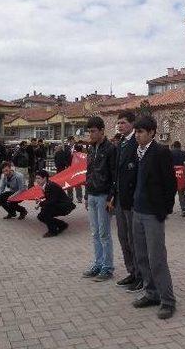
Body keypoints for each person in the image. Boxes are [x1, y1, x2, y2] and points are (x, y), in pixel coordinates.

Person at [130, 115, 177, 320]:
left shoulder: (160, 152)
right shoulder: (136, 152)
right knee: (141, 256)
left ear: (151, 133)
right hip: (137, 211)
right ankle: (151, 293)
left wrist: (164, 210)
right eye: (136, 132)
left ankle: (167, 301)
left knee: (156, 258)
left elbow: (170, 184)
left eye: (140, 132)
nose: (137, 135)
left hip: (153, 214)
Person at [108, 111, 142, 291]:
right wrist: (113, 195)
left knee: (133, 238)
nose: (119, 126)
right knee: (123, 237)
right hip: (120, 198)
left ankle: (140, 275)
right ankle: (131, 271)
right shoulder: (121, 143)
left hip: (132, 200)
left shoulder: (136, 143)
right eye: (118, 123)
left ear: (132, 124)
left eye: (123, 123)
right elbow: (117, 173)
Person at [82, 116, 116, 282]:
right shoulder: (91, 149)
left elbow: (114, 176)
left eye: (93, 131)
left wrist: (111, 197)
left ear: (102, 130)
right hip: (93, 194)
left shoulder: (110, 149)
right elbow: (89, 173)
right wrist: (86, 195)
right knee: (95, 233)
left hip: (104, 196)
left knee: (104, 233)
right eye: (89, 131)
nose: (91, 134)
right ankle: (98, 263)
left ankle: (107, 267)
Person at [36, 170, 76, 237]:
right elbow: (51, 199)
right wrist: (41, 201)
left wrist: (41, 203)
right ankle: (62, 225)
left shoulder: (51, 186)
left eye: (38, 178)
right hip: (58, 205)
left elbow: (52, 201)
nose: (37, 180)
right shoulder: (47, 185)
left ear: (45, 178)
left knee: (45, 213)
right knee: (41, 215)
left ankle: (53, 231)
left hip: (64, 207)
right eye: (36, 178)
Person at [170, 141, 185, 217]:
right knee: (181, 193)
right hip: (182, 175)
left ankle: (169, 208)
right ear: (180, 146)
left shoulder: (170, 153)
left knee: (171, 194)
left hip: (172, 175)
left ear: (174, 146)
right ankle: (184, 209)